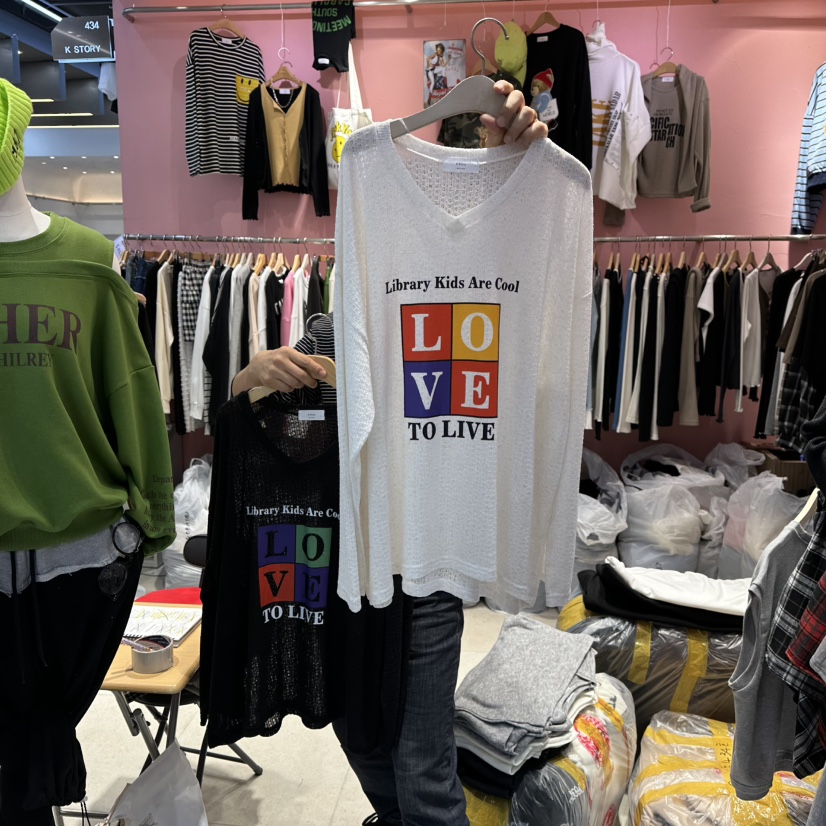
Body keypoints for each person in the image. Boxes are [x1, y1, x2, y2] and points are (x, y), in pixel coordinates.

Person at [231, 82, 548, 826]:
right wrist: (252, 377)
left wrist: (520, 173)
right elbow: (273, 430)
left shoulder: (472, 304)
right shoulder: (332, 329)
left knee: (423, 765)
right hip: (341, 565)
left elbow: (524, 372)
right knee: (359, 731)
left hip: (427, 567)